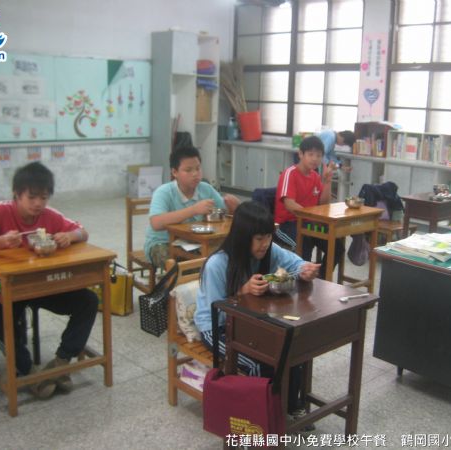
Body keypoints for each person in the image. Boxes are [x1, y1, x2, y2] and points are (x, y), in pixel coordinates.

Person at [0, 162, 98, 400]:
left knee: (88, 300)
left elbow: (82, 232)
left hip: (42, 286)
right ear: (17, 193)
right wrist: (1, 241)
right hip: (6, 287)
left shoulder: (49, 215)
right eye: (32, 197)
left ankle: (60, 363)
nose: (38, 203)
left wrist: (69, 235)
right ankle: (28, 372)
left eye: (43, 197)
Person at [194, 200, 320, 414]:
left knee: (290, 351)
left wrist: (305, 270)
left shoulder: (270, 250)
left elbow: (295, 263)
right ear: (243, 237)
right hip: (216, 328)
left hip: (248, 323)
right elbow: (216, 311)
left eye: (269, 237)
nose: (265, 244)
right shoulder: (218, 264)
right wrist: (241, 292)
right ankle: (258, 418)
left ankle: (290, 408)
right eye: (259, 238)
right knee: (257, 364)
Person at [145, 146, 240, 268]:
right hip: (163, 243)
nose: (195, 174)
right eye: (188, 170)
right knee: (183, 268)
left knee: (226, 258)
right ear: (174, 172)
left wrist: (235, 207)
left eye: (198, 168)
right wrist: (193, 210)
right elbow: (156, 223)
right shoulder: (164, 192)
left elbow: (224, 212)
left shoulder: (206, 189)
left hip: (195, 242)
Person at [274, 135, 345, 279]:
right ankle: (301, 282)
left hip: (308, 223)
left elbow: (323, 204)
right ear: (301, 154)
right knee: (304, 243)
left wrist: (327, 181)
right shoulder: (290, 173)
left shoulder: (315, 176)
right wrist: (310, 216)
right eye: (311, 154)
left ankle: (320, 280)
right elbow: (289, 204)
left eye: (318, 155)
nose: (315, 159)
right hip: (286, 225)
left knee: (337, 247)